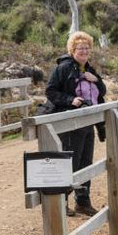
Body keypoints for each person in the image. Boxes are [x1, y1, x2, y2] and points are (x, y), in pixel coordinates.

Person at [45, 30, 107, 217]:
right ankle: (61, 202)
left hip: (89, 121)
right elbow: (51, 91)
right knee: (70, 162)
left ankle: (82, 202)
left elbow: (101, 92)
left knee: (86, 163)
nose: (84, 51)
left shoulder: (88, 69)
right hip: (70, 122)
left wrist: (96, 80)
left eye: (87, 48)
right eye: (80, 48)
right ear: (72, 49)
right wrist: (70, 100)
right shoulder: (63, 68)